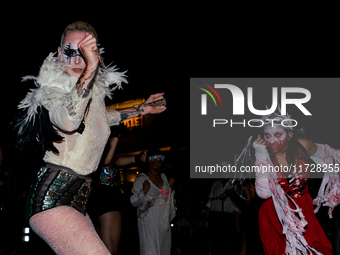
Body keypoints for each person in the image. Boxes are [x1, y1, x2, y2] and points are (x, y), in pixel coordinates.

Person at [9, 21, 166, 255]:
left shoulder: (92, 93)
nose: (76, 60)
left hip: (79, 200)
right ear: (60, 54)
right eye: (70, 52)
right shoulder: (52, 88)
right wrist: (91, 66)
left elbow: (103, 118)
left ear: (96, 53)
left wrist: (142, 109)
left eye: (84, 53)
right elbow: (69, 120)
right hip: (52, 198)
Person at [253, 112, 340, 254]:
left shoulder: (302, 146)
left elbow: (330, 154)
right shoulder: (264, 156)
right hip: (276, 215)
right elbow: (263, 193)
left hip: (303, 209)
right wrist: (260, 154)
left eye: (278, 135)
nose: (272, 140)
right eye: (267, 136)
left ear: (290, 134)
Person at [87, 124, 147, 255]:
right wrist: (115, 136)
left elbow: (117, 161)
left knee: (99, 249)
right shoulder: (93, 151)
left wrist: (137, 158)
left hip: (100, 200)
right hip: (106, 200)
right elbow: (106, 162)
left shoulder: (100, 150)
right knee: (109, 251)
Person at [130, 149, 176, 255]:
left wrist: (171, 189)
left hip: (163, 224)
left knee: (164, 251)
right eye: (152, 162)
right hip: (149, 224)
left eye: (158, 162)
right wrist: (144, 192)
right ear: (148, 163)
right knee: (151, 252)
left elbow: (166, 200)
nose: (156, 165)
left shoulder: (164, 178)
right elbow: (134, 202)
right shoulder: (141, 179)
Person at [201, 173, 242, 255]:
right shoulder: (216, 184)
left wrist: (237, 224)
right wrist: (204, 219)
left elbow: (236, 207)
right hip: (215, 216)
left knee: (227, 243)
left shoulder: (234, 184)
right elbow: (210, 203)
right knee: (215, 242)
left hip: (228, 217)